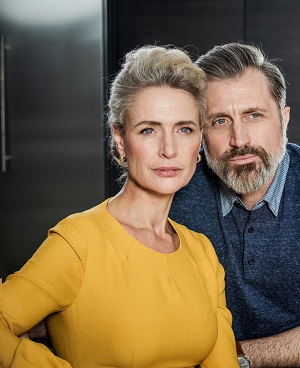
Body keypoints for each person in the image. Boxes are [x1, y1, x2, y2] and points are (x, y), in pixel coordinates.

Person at [0, 45, 238, 368]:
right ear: (120, 140)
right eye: (148, 130)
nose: (169, 149)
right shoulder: (79, 242)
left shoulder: (202, 253)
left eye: (184, 129)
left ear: (198, 144)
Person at [169, 42, 300, 367]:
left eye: (254, 115)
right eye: (220, 121)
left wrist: (235, 358)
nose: (239, 139)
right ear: (200, 131)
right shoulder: (175, 194)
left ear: (284, 120)